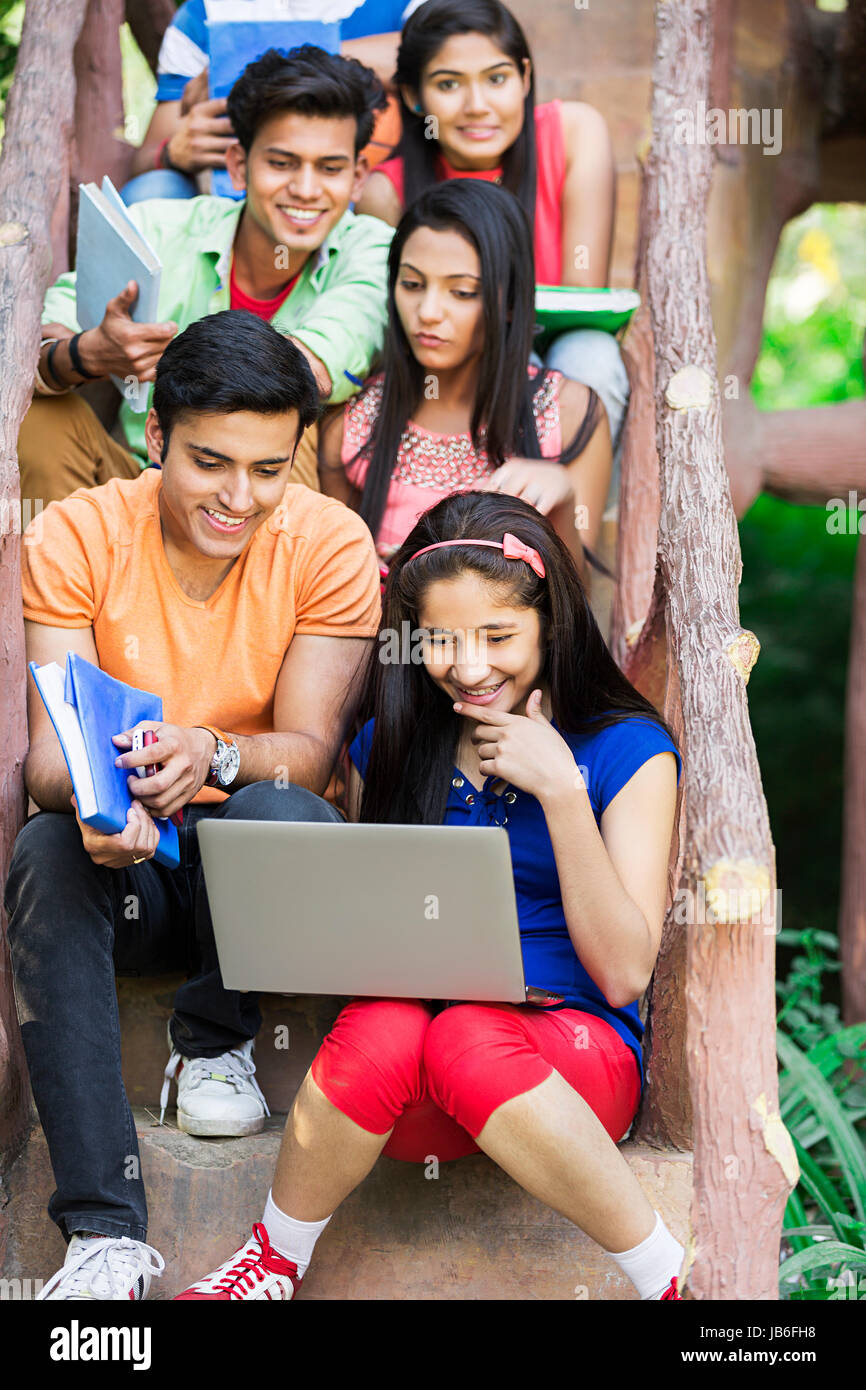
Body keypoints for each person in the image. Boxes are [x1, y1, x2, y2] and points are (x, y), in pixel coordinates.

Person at [175, 487, 685, 1302]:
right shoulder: (395, 742)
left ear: (550, 624)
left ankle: (668, 1283)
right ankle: (271, 1264)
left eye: (498, 636)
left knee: (468, 1041)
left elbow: (625, 972)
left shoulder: (627, 750)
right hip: (414, 1106)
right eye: (443, 641)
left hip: (571, 1083)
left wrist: (559, 789)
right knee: (387, 1022)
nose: (471, 667)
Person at [5, 312, 381, 1301]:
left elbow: (308, 754)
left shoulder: (329, 544)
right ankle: (103, 1235)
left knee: (287, 812)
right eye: (211, 462)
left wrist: (212, 748)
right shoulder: (77, 533)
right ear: (155, 437)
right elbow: (50, 752)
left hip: (257, 891)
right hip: (126, 870)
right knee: (45, 846)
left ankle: (214, 1044)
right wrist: (94, 801)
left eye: (267, 468)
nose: (239, 496)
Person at [22, 45, 394, 508]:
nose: (305, 189)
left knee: (286, 420)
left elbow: (315, 368)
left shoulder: (374, 250)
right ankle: (59, 576)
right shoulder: (159, 228)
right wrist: (86, 353)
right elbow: (32, 344)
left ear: (358, 176)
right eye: (281, 163)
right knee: (37, 414)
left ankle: (262, 582)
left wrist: (167, 362)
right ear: (239, 165)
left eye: (330, 168)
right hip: (142, 483)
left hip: (253, 498)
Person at [356, 0, 630, 465]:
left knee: (592, 355)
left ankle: (562, 516)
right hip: (450, 371)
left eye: (496, 78)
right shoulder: (386, 191)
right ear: (413, 95)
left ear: (524, 77)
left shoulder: (572, 133)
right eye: (448, 84)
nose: (477, 106)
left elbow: (581, 295)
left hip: (559, 347)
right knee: (516, 370)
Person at [318, 179, 611, 581]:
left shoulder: (568, 413)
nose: (428, 311)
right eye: (412, 285)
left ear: (508, 302)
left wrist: (563, 495)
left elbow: (576, 606)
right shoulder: (353, 421)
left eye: (461, 291)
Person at [124, 0, 412, 204]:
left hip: (366, 193)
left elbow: (435, 55)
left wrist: (250, 59)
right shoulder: (205, 12)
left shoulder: (406, 5)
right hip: (237, 202)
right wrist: (171, 153)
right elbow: (142, 162)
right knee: (151, 191)